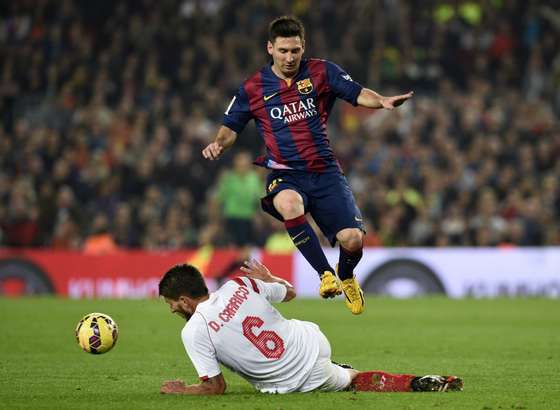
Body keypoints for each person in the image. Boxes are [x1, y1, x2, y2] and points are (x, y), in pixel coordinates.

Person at [202, 16, 414, 315]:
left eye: (295, 51)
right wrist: (217, 144)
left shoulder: (322, 71)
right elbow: (230, 127)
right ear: (270, 48)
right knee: (289, 204)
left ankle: (347, 275)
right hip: (285, 173)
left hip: (325, 171)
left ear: (303, 48)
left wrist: (382, 102)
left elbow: (358, 93)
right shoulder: (253, 87)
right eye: (283, 50)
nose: (289, 57)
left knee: (352, 240)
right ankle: (325, 274)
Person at [158, 260, 463, 395]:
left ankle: (398, 381)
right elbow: (289, 293)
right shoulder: (239, 283)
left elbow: (216, 388)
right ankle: (413, 381)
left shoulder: (194, 330)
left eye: (170, 303)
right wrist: (270, 278)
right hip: (312, 341)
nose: (172, 309)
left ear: (184, 300)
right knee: (342, 372)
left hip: (294, 381)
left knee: (350, 380)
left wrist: (182, 391)